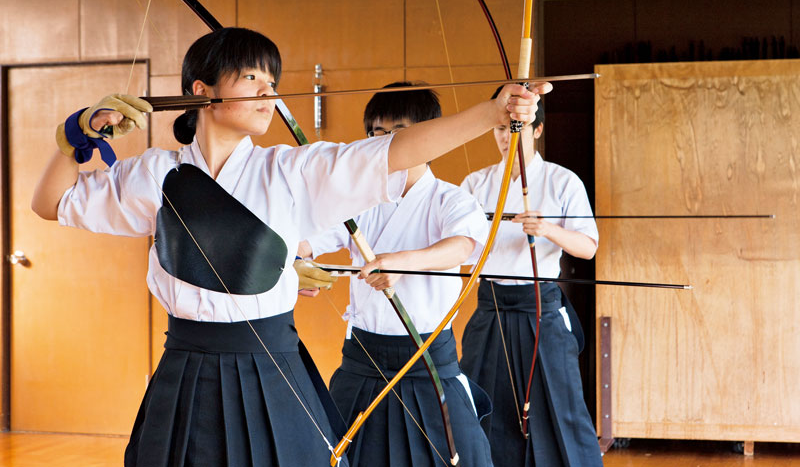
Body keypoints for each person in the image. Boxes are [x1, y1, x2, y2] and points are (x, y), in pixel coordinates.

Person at [30, 27, 545, 467]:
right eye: (251, 76)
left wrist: (490, 112)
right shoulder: (156, 173)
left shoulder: (292, 170)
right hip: (185, 363)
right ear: (201, 88)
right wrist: (78, 133)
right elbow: (51, 204)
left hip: (269, 363)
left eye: (271, 82)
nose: (267, 91)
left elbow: (394, 151)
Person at [296, 83, 493, 467]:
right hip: (363, 362)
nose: (385, 144)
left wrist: (403, 263)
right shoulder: (359, 200)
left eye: (399, 132)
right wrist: (295, 262)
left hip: (427, 360)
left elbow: (463, 246)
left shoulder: (451, 200)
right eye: (376, 134)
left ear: (428, 137)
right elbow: (310, 238)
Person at [459, 92, 603, 467]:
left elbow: (587, 247)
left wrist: (548, 229)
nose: (506, 136)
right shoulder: (474, 184)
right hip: (490, 309)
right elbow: (461, 249)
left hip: (541, 309)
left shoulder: (562, 181)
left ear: (537, 129)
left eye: (516, 127)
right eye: (500, 127)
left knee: (563, 408)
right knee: (479, 406)